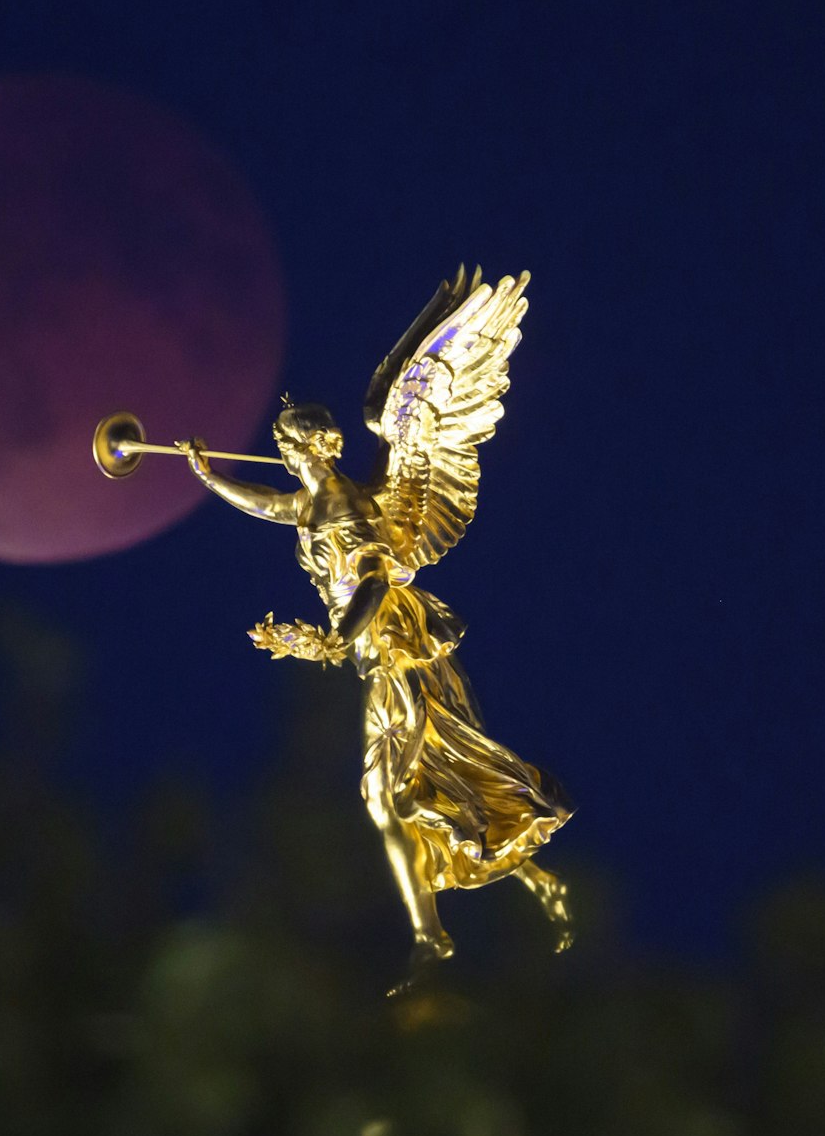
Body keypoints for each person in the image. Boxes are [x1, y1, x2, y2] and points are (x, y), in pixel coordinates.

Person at [181, 270, 573, 995]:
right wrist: (210, 477)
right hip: (378, 657)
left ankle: (432, 936)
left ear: (307, 447)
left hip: (394, 653)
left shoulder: (351, 508)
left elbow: (371, 580)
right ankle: (514, 886)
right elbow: (272, 506)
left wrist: (336, 638)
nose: (285, 455)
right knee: (420, 790)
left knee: (390, 799)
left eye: (287, 444)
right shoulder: (313, 506)